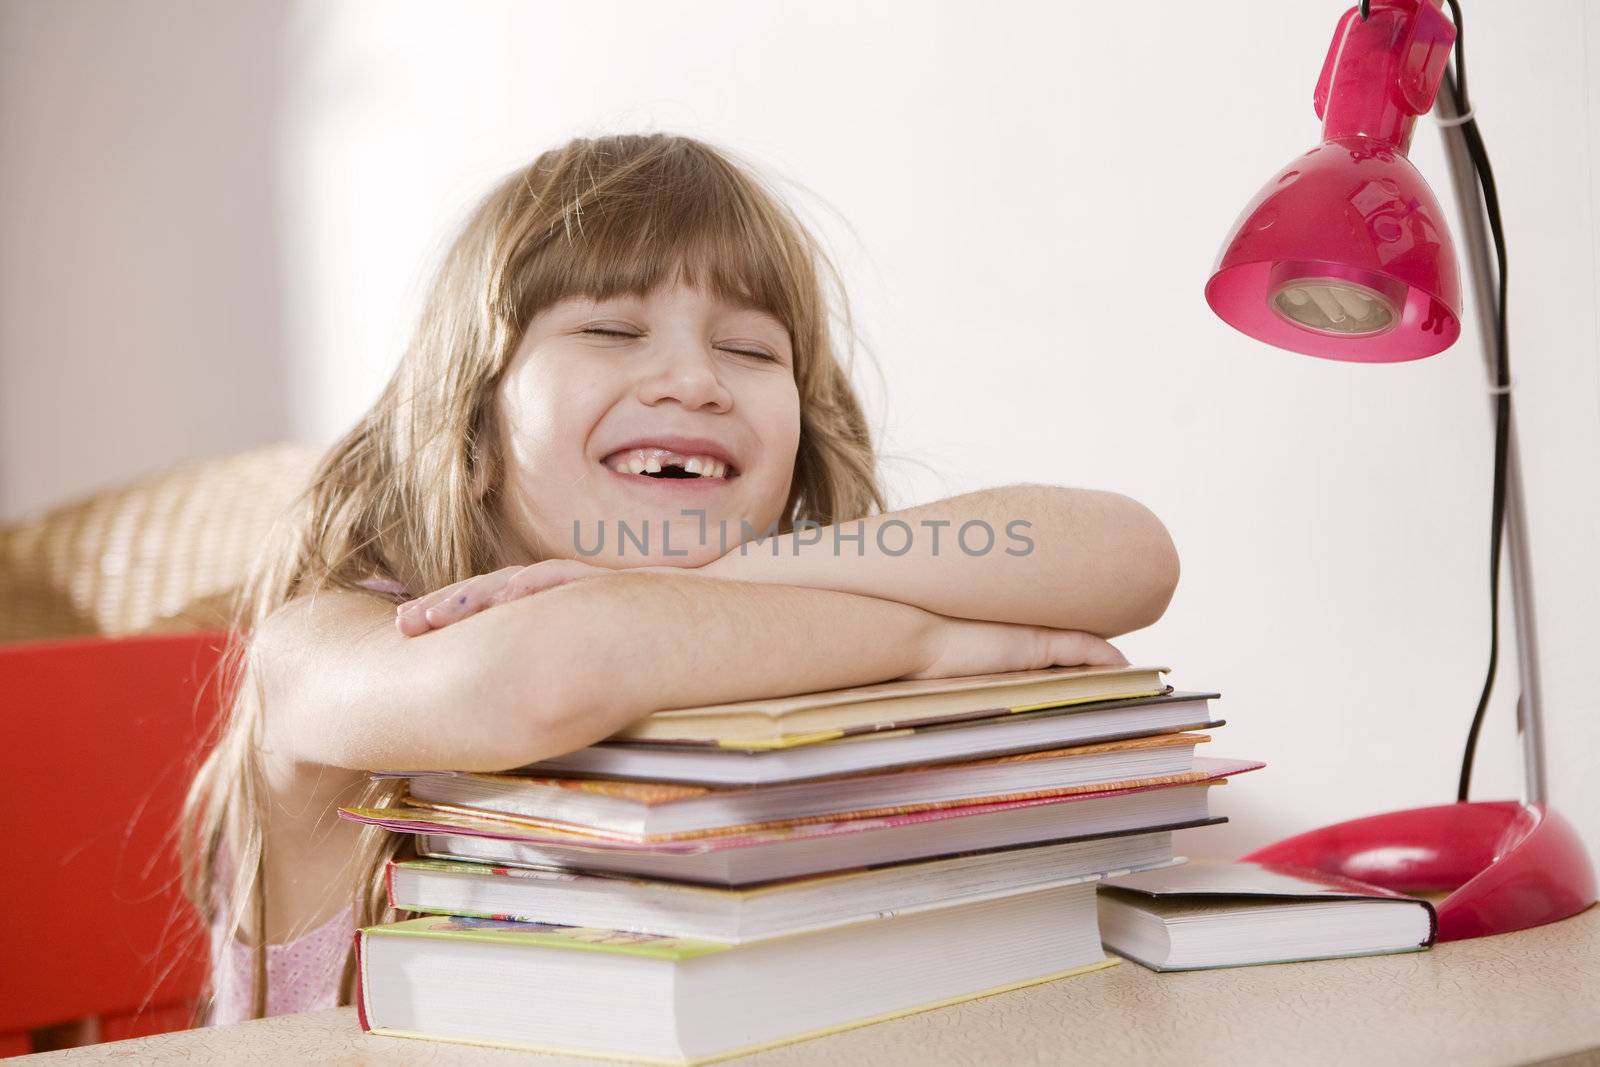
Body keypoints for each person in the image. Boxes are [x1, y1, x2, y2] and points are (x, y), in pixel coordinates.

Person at [181, 132, 1181, 1024]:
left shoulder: (793, 603)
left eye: (749, 348)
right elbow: (550, 671)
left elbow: (1126, 553)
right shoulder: (318, 651)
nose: (696, 380)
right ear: (473, 427)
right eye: (611, 331)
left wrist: (750, 569)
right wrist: (927, 640)